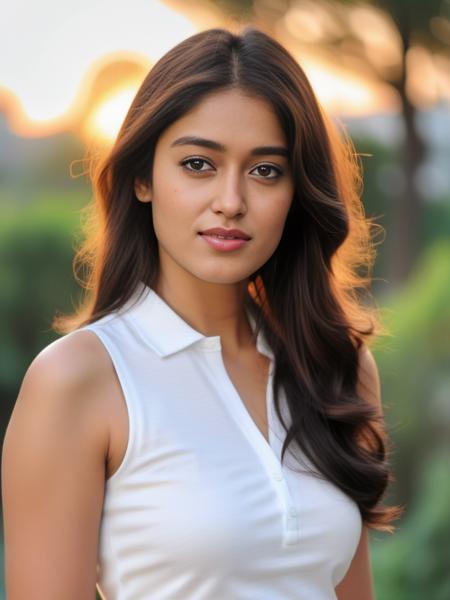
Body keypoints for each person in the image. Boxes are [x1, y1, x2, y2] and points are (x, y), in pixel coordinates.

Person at [1, 26, 401, 600]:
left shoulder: (337, 365)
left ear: (297, 190)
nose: (231, 201)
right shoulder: (78, 380)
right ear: (143, 178)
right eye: (198, 164)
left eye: (266, 170)